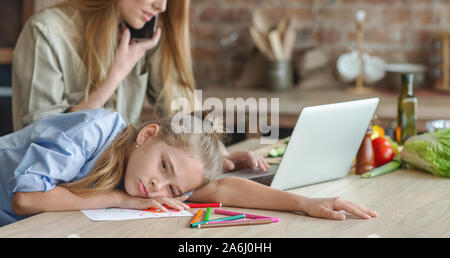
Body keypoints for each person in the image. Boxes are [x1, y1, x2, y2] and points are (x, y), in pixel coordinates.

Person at [0, 109, 378, 227]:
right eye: (164, 166)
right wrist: (119, 198)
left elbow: (223, 190)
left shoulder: (147, 176)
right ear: (147, 135)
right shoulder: (92, 133)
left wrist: (306, 204)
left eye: (172, 187)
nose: (156, 187)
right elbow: (28, 199)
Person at [12, 0, 266, 173]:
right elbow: (42, 142)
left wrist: (216, 154)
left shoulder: (144, 29)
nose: (162, 6)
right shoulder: (46, 32)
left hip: (118, 188)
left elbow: (180, 107)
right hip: (52, 195)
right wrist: (117, 73)